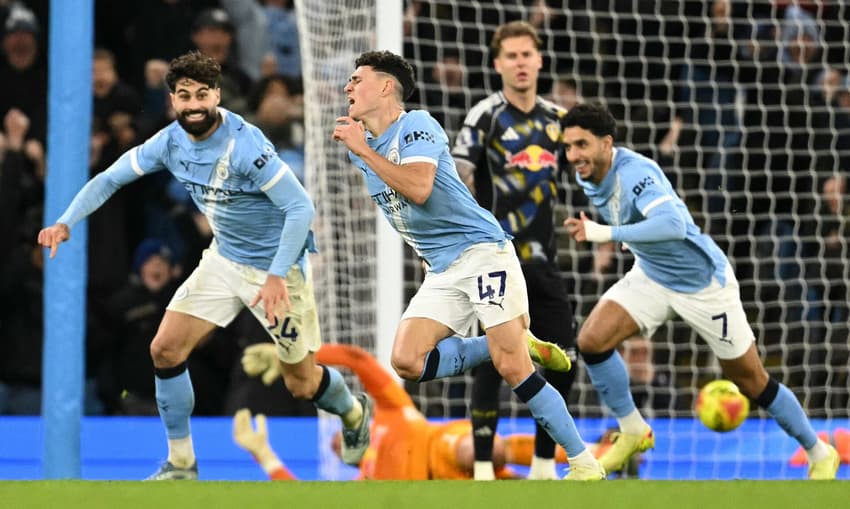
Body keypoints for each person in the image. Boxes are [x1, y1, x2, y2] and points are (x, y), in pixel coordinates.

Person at [37, 50, 372, 480]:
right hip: (223, 260)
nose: (193, 105)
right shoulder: (169, 141)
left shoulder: (245, 145)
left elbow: (300, 209)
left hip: (278, 270)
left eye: (201, 95)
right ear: (172, 100)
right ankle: (181, 463)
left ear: (216, 95)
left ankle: (353, 411)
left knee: (301, 384)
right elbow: (111, 178)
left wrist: (274, 276)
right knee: (165, 349)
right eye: (183, 96)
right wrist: (66, 221)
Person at [331, 49, 604, 480]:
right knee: (406, 361)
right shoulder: (360, 148)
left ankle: (583, 462)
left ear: (386, 87)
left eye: (357, 79)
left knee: (512, 368)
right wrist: (424, 255)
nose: (348, 87)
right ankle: (518, 339)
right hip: (442, 267)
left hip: (481, 252)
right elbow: (403, 212)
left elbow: (419, 188)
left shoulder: (416, 125)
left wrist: (364, 151)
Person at [561, 102, 840, 480]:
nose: (574, 155)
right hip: (654, 276)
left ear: (607, 143)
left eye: (582, 145)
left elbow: (674, 225)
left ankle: (819, 451)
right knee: (592, 340)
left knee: (751, 379)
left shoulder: (636, 172)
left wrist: (607, 233)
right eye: (569, 147)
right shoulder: (588, 175)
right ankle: (631, 430)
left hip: (703, 284)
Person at [450, 20, 578, 480]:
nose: (520, 63)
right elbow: (459, 176)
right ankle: (483, 471)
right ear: (497, 63)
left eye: (527, 54)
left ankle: (545, 465)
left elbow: (581, 176)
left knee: (563, 358)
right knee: (494, 363)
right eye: (512, 56)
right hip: (495, 260)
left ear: (539, 60)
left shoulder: (558, 121)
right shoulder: (485, 115)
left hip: (543, 261)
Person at [236, 342, 578, 480]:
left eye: (339, 432)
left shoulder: (389, 411)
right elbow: (310, 500)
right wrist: (264, 454)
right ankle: (602, 458)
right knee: (519, 487)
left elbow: (358, 360)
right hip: (444, 486)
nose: (334, 442)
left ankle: (586, 455)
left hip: (444, 445)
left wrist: (299, 354)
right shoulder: (366, 479)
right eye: (336, 445)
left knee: (485, 449)